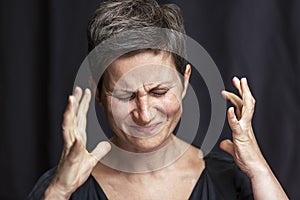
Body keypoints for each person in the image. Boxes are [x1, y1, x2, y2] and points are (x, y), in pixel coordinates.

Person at [27, 0, 288, 199]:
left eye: (158, 92)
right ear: (99, 93)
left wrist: (258, 169)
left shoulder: (231, 180)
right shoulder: (62, 186)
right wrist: (59, 191)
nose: (144, 114)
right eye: (125, 95)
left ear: (185, 81)